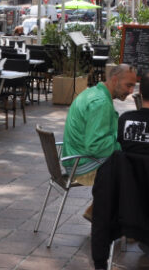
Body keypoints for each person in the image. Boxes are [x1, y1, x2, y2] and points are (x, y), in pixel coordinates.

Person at [62, 62, 138, 224]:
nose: (131, 91)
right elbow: (96, 146)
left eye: (134, 86)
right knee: (135, 169)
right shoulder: (101, 102)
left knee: (128, 163)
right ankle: (130, 224)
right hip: (82, 164)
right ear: (115, 80)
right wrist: (123, 144)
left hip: (74, 157)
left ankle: (96, 210)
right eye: (128, 85)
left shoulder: (93, 92)